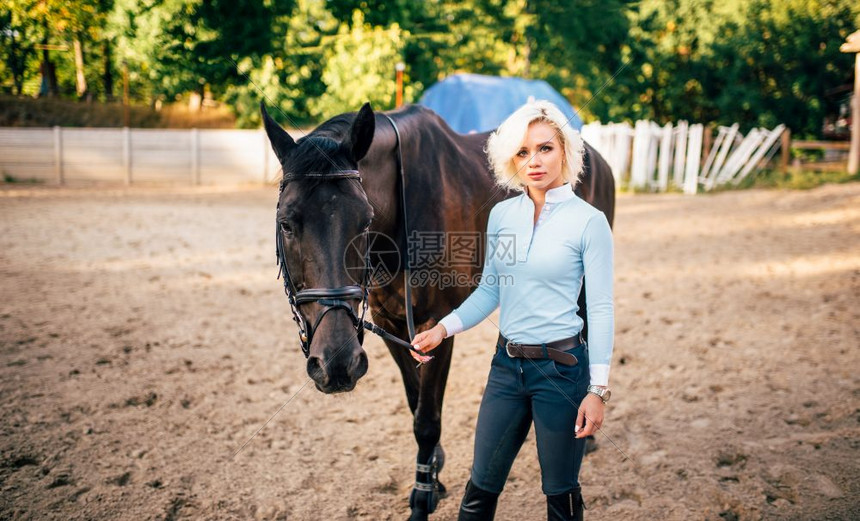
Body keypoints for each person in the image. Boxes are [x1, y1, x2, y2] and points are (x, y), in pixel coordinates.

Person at [410, 100, 614, 521]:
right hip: (505, 370)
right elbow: (490, 289)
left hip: (562, 371)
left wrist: (597, 391)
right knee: (479, 491)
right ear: (510, 159)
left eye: (544, 148)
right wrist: (443, 330)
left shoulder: (589, 222)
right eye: (522, 152)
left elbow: (601, 307)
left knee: (560, 497)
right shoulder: (502, 216)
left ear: (564, 151)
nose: (534, 161)